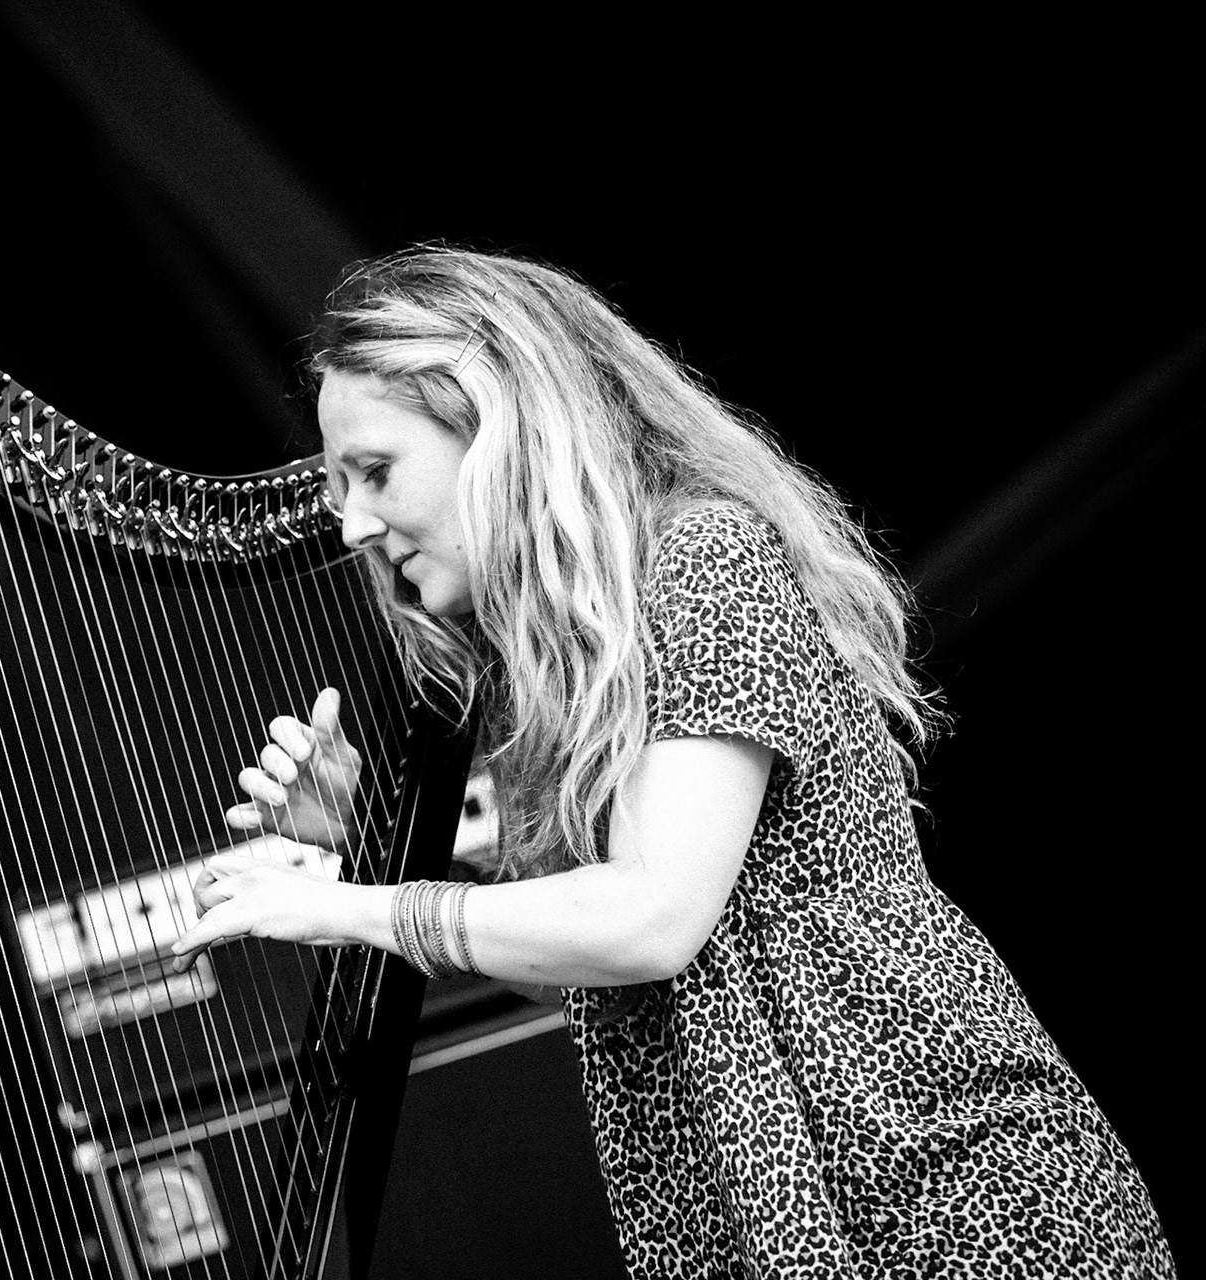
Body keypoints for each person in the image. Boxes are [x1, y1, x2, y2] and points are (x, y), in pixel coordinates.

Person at [167, 247, 1173, 1276]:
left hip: (943, 1196)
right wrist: (368, 857)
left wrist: (348, 907)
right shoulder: (553, 671)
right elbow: (595, 981)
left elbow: (651, 919)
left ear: (502, 426)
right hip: (757, 1223)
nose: (351, 522)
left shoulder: (701, 558)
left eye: (375, 470)